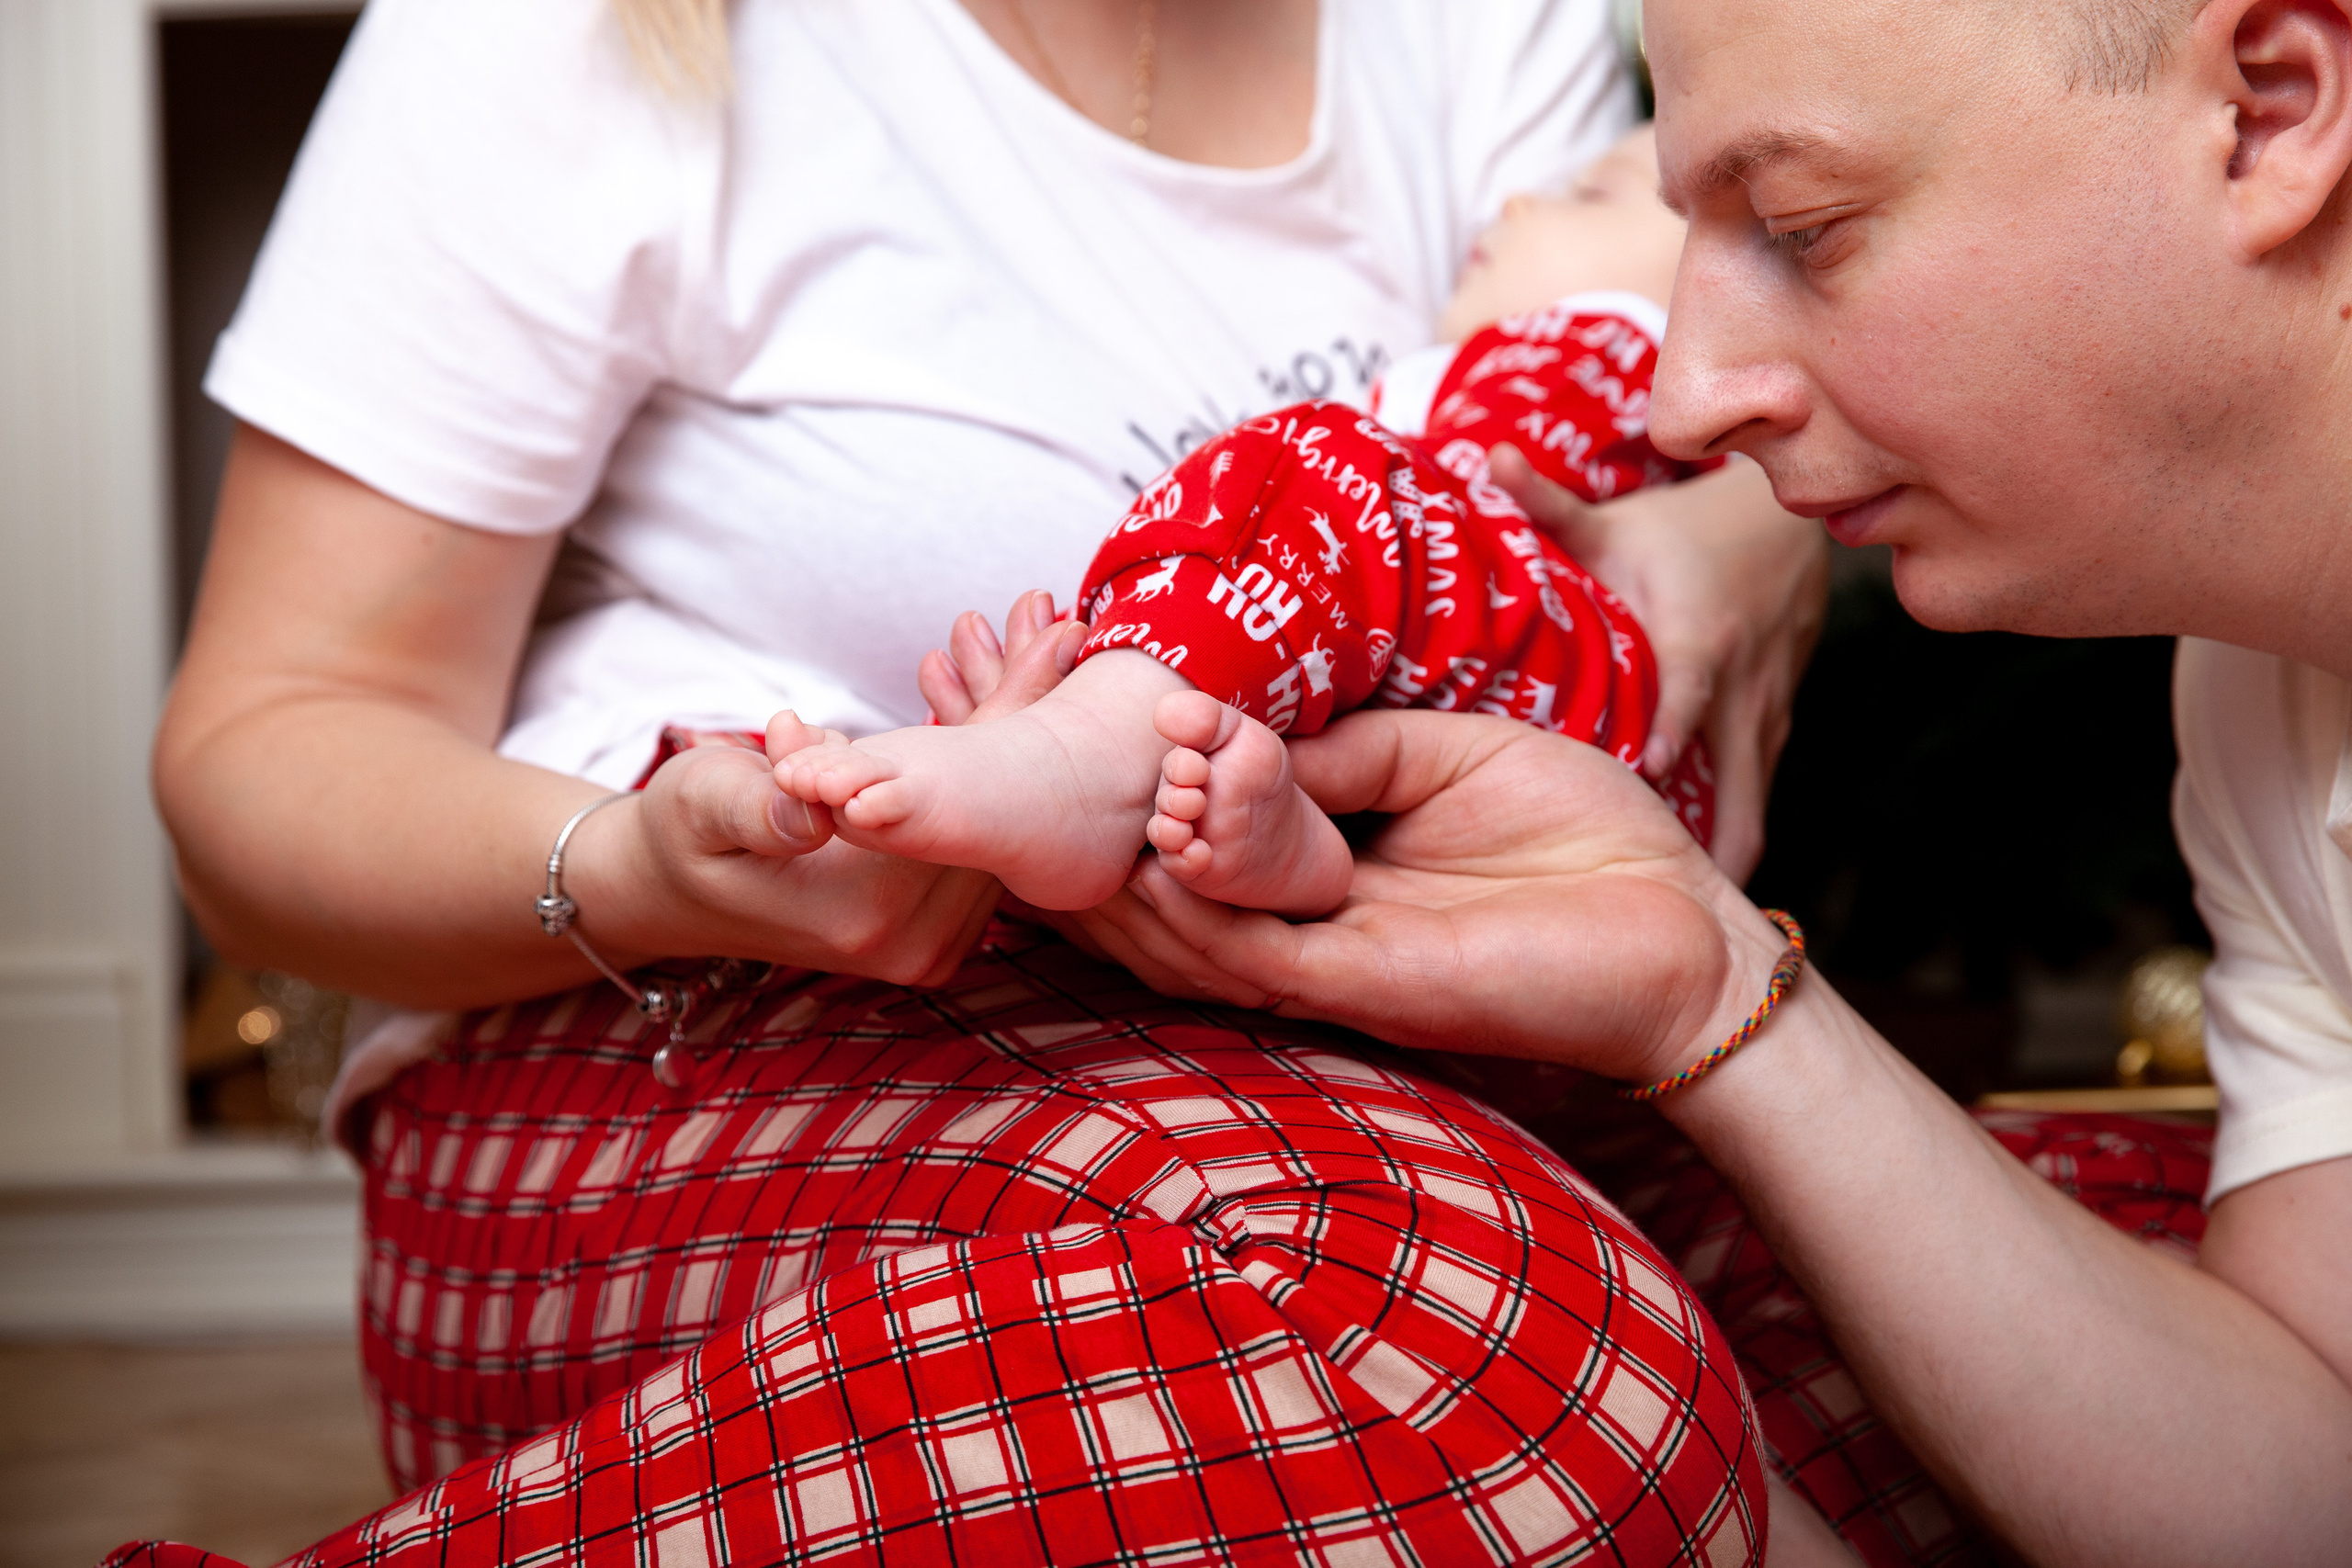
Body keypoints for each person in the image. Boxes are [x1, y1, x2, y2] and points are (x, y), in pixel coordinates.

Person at [131, 1, 1828, 1564]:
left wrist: (1747, 520)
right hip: (670, 1052)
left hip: (1362, 1054)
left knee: (1919, 1363)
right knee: (1511, 1378)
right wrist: (641, 870)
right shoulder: (594, 36)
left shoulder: (1470, 20)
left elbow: (1612, 359)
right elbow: (269, 747)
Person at [1111, 0, 2352, 1562]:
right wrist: (1708, 985)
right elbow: (2308, 1483)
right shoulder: (2260, 692)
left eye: (1804, 225)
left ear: (2270, 109)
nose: (1688, 393)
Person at [774, 127, 1717, 919]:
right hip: (1548, 787)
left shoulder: (1609, 353)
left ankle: (1079, 757)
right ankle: (1261, 835)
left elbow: (1384, 515)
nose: (1518, 207)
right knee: (1288, 600)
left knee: (1318, 473)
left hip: (1604, 728)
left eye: (1594, 196)